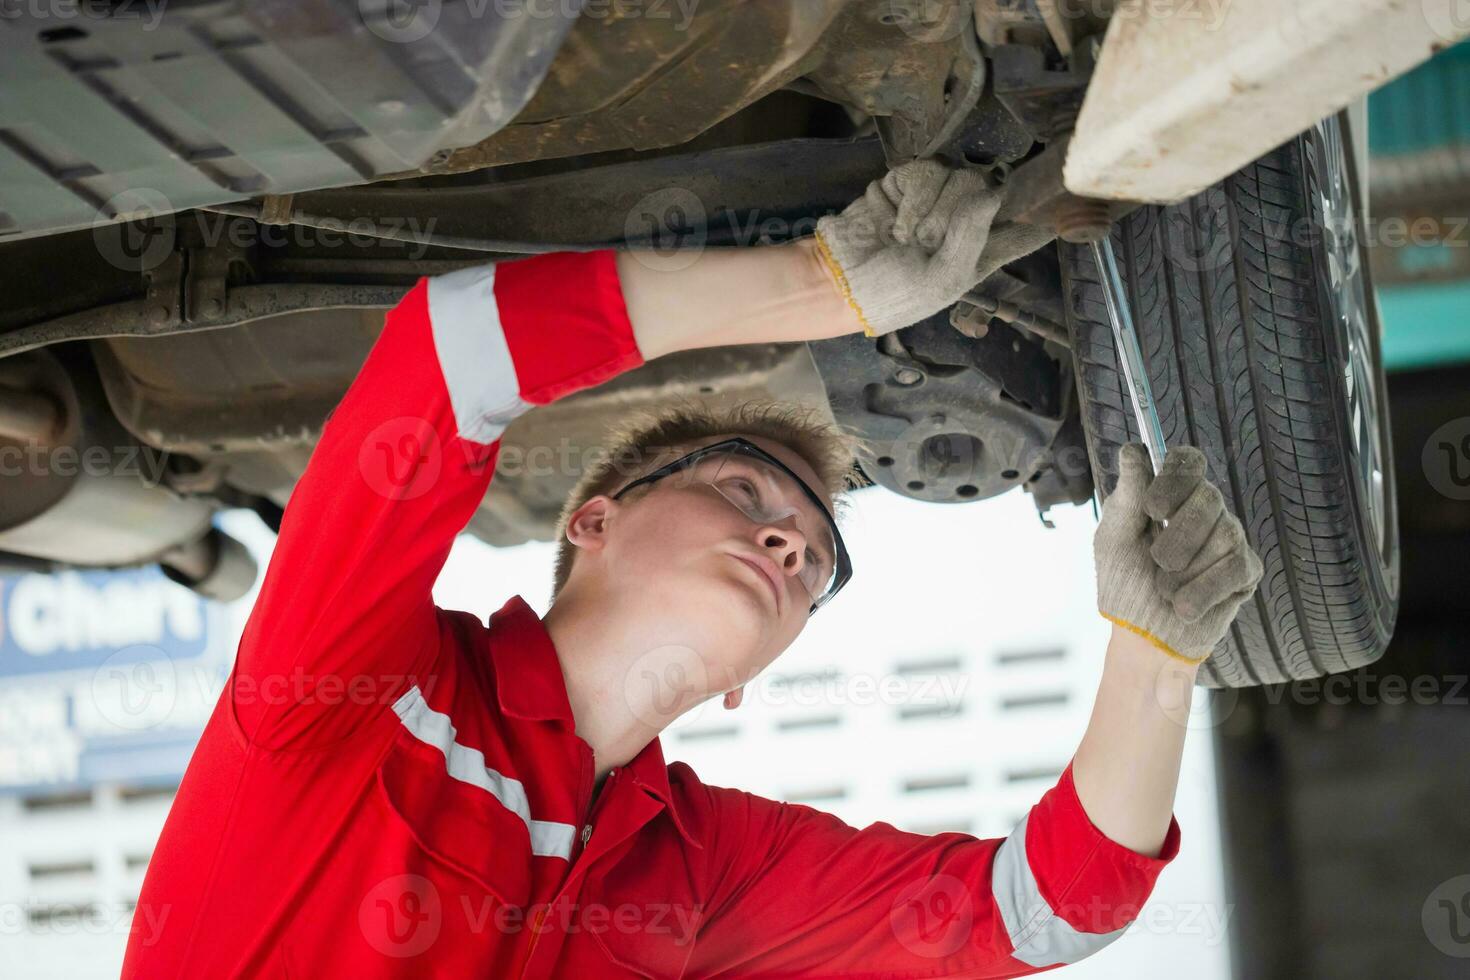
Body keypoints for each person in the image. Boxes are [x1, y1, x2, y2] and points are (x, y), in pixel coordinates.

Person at [121, 161, 1262, 978]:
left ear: (744, 679)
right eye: (744, 492)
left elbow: (1031, 908)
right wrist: (822, 287)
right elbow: (443, 356)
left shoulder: (705, 865)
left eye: (813, 561)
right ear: (596, 521)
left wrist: (1156, 653)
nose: (787, 544)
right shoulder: (359, 688)